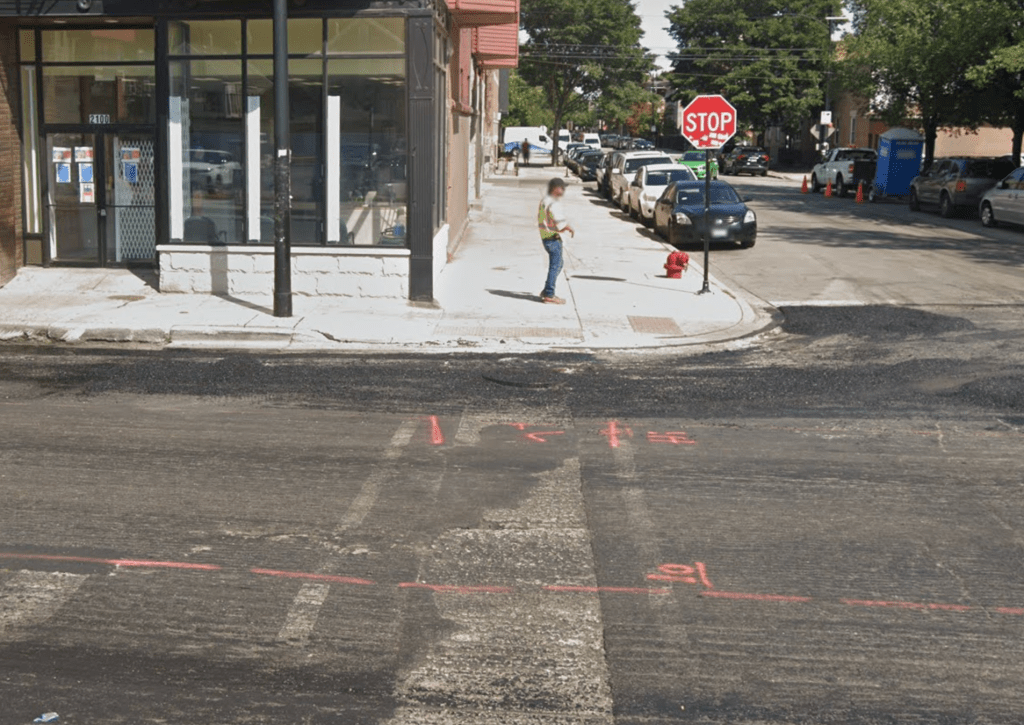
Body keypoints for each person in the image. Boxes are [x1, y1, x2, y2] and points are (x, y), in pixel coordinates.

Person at [537, 177, 575, 304]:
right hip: (553, 238)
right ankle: (549, 293)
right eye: (562, 187)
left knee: (558, 264)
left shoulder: (544, 200)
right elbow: (558, 221)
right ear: (555, 188)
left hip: (546, 237)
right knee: (555, 266)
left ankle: (547, 289)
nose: (563, 190)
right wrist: (567, 227)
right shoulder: (553, 203)